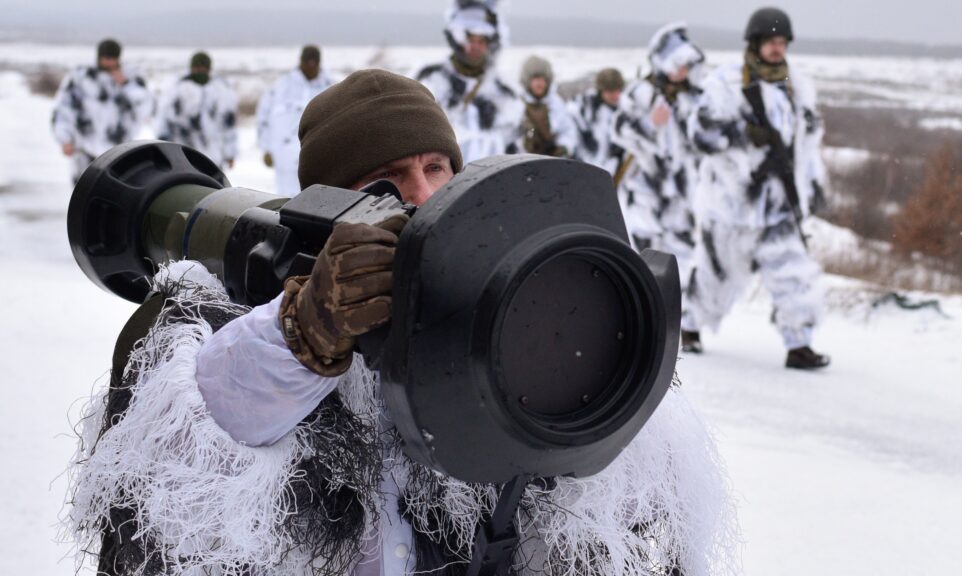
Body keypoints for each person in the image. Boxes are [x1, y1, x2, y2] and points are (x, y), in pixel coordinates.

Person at [64, 70, 737, 576]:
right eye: (384, 179)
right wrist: (308, 333)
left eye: (435, 168)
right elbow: (209, 432)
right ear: (330, 204)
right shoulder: (255, 322)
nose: (419, 194)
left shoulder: (491, 304)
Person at [681, 7, 830, 369]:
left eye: (782, 42)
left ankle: (799, 344)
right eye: (770, 42)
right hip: (731, 204)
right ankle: (688, 329)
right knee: (716, 274)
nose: (777, 49)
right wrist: (740, 133)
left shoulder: (797, 87)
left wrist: (813, 182)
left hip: (779, 204)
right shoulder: (727, 83)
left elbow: (806, 145)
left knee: (793, 273)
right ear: (755, 43)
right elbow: (699, 135)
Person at [611, 22, 705, 291]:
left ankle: (682, 318)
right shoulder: (640, 93)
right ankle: (645, 314)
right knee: (644, 257)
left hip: (680, 193)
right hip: (645, 189)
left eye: (687, 65)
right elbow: (619, 130)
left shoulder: (694, 100)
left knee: (681, 258)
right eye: (678, 64)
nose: (682, 71)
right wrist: (650, 125)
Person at [416, 0, 522, 162]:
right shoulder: (431, 80)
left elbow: (517, 144)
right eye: (470, 40)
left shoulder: (504, 92)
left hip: (494, 181)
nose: (476, 47)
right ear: (457, 39)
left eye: (482, 41)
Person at [51, 38, 152, 183]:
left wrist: (125, 84)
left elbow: (146, 108)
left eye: (113, 58)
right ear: (99, 57)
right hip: (85, 150)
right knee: (84, 195)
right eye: (106, 58)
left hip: (119, 152)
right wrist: (65, 138)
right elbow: (64, 109)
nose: (110, 62)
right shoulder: (81, 78)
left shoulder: (131, 78)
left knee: (118, 197)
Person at [256, 45, 333, 197]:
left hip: (318, 158)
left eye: (314, 63)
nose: (311, 67)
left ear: (319, 63)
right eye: (307, 62)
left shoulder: (330, 87)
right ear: (301, 62)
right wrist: (266, 148)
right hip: (285, 158)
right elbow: (263, 118)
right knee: (286, 201)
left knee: (317, 201)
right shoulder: (281, 86)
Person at [154, 51, 239, 170]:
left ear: (209, 69)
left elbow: (229, 126)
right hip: (183, 155)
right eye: (197, 68)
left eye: (203, 68)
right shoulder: (178, 90)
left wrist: (230, 153)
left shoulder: (221, 91)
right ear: (192, 68)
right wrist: (163, 149)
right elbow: (165, 121)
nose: (200, 71)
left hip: (213, 156)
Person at [517, 55, 577, 158]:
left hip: (550, 163)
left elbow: (568, 130)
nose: (540, 83)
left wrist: (563, 146)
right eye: (536, 78)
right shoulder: (516, 104)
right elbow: (507, 136)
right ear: (527, 80)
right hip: (521, 163)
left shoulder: (556, 103)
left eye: (544, 79)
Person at [569, 68, 626, 176]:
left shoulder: (626, 110)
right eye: (610, 91)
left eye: (617, 90)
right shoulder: (586, 108)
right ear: (601, 90)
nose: (615, 95)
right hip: (589, 169)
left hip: (617, 172)